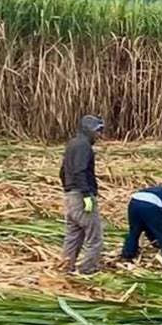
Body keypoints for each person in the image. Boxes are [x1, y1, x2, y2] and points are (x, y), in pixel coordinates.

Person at [59, 115, 105, 275]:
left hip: (71, 197)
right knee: (95, 237)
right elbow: (80, 171)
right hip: (81, 196)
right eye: (98, 131)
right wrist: (86, 195)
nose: (99, 135)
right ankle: (87, 269)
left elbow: (63, 171)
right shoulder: (83, 146)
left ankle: (65, 266)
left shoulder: (72, 144)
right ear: (89, 130)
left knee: (73, 235)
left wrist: (67, 189)